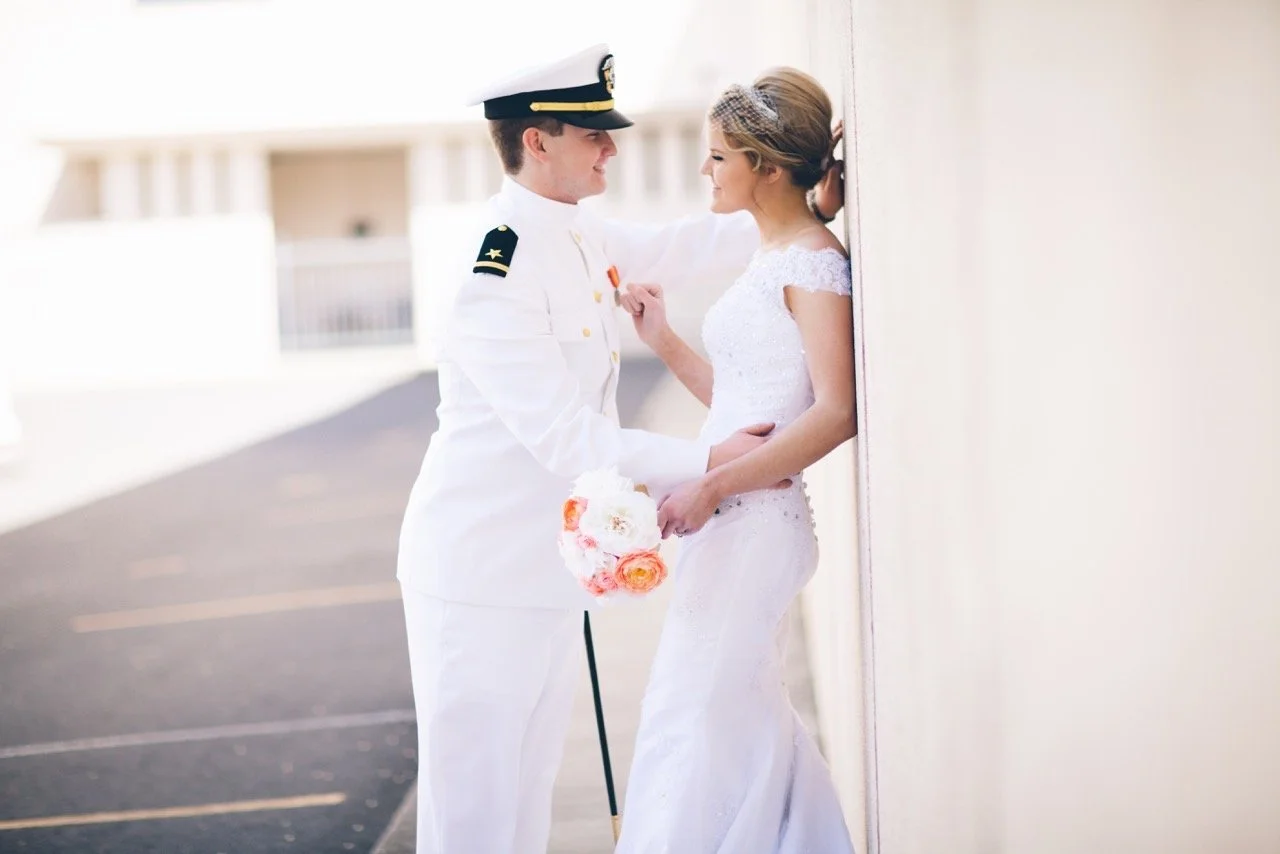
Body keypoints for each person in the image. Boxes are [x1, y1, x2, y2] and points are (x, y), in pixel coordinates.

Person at [394, 46, 845, 853]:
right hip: (477, 576)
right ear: (537, 141)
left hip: (544, 572)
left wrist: (803, 204)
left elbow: (694, 245)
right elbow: (563, 436)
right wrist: (709, 464)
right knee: (473, 813)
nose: (612, 149)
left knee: (522, 804)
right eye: (593, 135)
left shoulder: (573, 233)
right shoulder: (498, 265)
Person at [615, 68, 857, 852]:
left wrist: (711, 485)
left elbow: (836, 410)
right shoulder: (778, 250)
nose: (704, 170)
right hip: (731, 522)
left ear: (769, 167)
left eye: (719, 157)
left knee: (695, 719)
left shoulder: (813, 263)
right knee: (726, 720)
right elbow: (746, 406)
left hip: (754, 527)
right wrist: (664, 341)